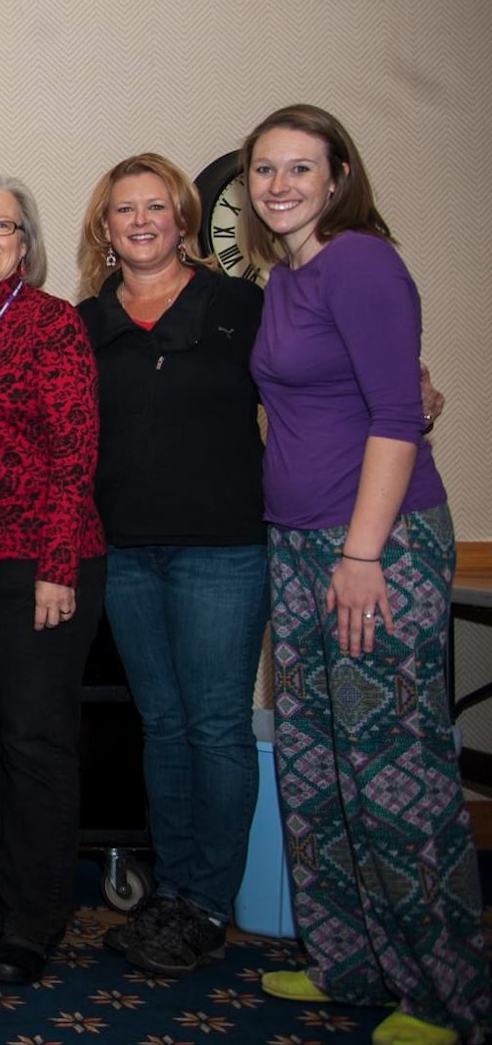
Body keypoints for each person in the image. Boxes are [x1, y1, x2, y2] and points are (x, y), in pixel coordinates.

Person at [241, 104, 488, 1045]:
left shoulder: (362, 262)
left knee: (393, 766)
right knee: (315, 758)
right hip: (297, 541)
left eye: (300, 168)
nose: (280, 185)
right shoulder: (284, 277)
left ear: (339, 176)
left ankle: (443, 992)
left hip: (373, 546)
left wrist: (361, 552)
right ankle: (348, 961)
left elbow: (398, 413)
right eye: (266, 170)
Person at [71, 154, 267, 978]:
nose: (141, 220)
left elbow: (315, 380)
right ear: (105, 230)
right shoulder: (86, 321)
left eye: (157, 206)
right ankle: (174, 892)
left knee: (216, 726)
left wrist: (414, 382)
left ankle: (207, 901)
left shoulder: (239, 305)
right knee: (161, 724)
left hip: (222, 548)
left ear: (183, 219)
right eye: (125, 210)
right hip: (124, 551)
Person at [0, 171, 106, 986]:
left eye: (2, 227)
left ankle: (39, 917)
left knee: (37, 738)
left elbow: (75, 455)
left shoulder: (54, 324)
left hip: (45, 560)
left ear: (26, 243)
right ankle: (12, 891)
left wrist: (57, 566)